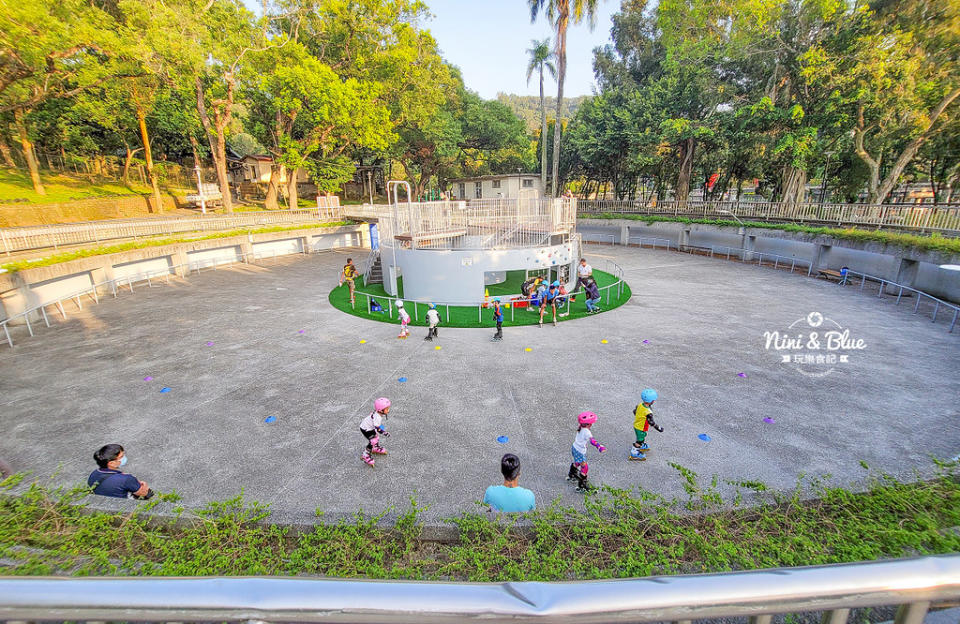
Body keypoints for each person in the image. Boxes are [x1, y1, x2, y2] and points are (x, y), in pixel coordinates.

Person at [88, 444, 153, 499]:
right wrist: (145, 486)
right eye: (121, 457)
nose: (124, 458)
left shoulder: (93, 474)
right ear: (111, 463)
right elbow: (144, 493)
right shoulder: (126, 479)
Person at [567, 411, 606, 492]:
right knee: (585, 467)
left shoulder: (581, 427)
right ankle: (582, 485)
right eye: (591, 423)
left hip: (575, 448)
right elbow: (592, 441)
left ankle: (572, 473)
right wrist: (599, 446)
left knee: (577, 462)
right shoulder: (586, 431)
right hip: (580, 451)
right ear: (589, 424)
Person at [630, 389, 664, 462]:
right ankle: (634, 453)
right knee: (639, 440)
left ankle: (641, 445)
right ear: (652, 401)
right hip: (641, 427)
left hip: (637, 424)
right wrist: (659, 428)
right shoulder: (648, 412)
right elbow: (651, 423)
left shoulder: (639, 405)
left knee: (642, 436)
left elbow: (634, 411)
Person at [360, 397, 391, 467]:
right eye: (387, 409)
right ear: (381, 410)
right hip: (365, 428)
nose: (388, 410)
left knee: (376, 436)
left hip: (369, 427)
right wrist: (385, 433)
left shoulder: (378, 413)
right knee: (373, 440)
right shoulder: (378, 417)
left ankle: (375, 448)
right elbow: (378, 429)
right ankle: (365, 455)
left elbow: (377, 426)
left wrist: (381, 429)